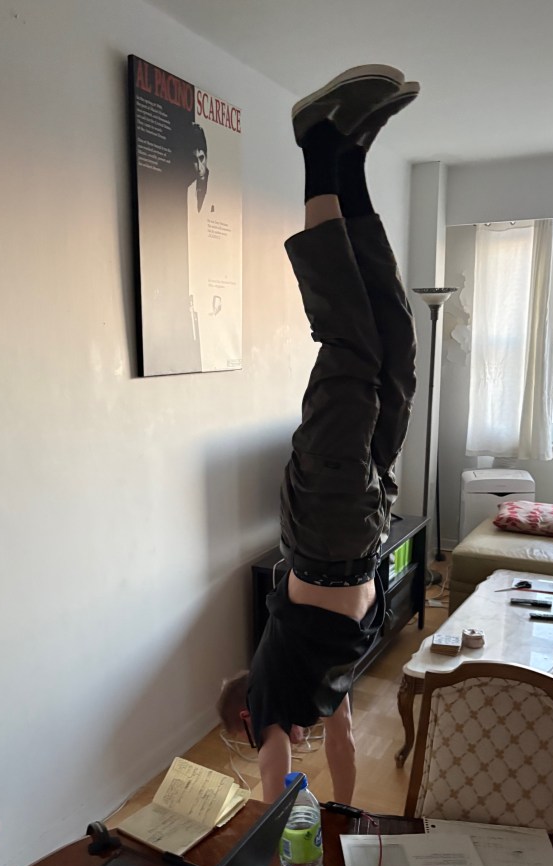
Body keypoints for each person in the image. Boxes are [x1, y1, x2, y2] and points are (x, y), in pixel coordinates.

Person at [218, 66, 420, 803]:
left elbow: (275, 776)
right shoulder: (326, 689)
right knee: (395, 352)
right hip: (365, 513)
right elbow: (341, 743)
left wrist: (284, 830)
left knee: (349, 346)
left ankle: (315, 145)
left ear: (249, 714)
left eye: (260, 730)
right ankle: (350, 160)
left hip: (325, 521)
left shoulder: (273, 698)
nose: (289, 738)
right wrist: (343, 811)